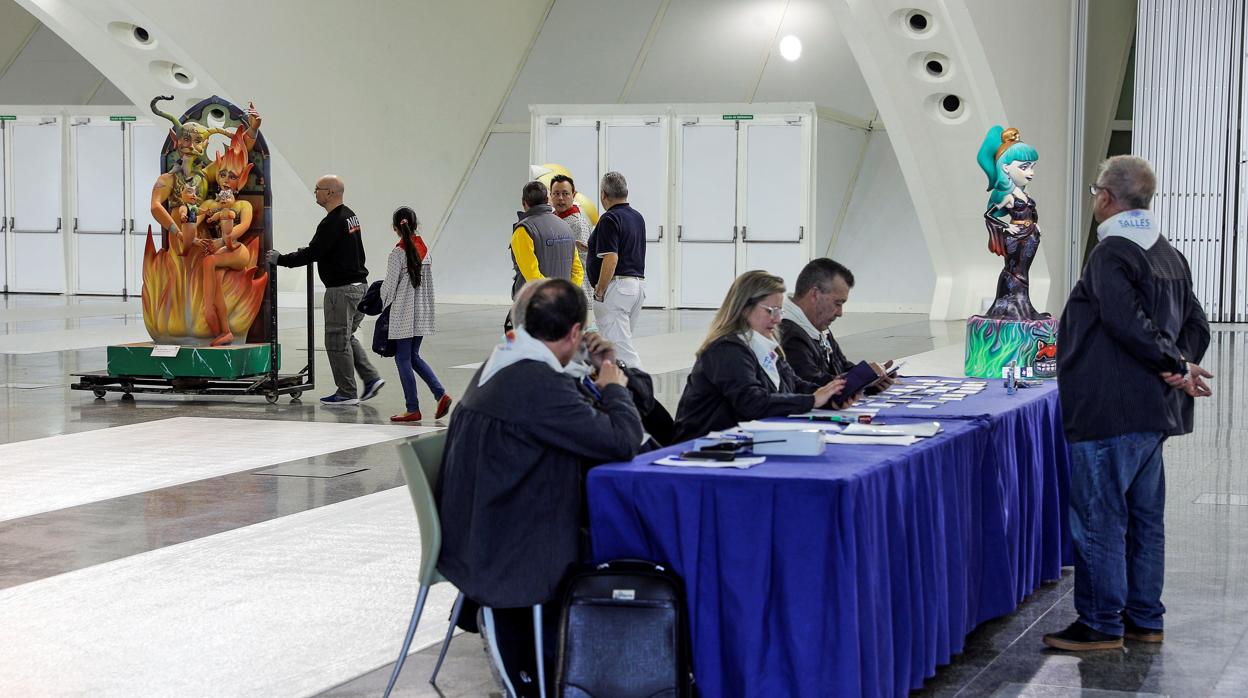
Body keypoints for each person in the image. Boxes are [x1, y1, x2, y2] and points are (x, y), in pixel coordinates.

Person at [436, 278, 644, 696]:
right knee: (633, 546)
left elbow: (579, 413)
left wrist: (597, 367)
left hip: (484, 529)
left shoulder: (508, 359)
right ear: (573, 333)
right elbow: (623, 440)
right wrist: (614, 387)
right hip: (511, 549)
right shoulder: (536, 384)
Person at [1043, 155, 1212, 652]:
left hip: (1108, 413)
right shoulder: (1168, 254)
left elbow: (1124, 321)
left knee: (1099, 520)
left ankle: (1099, 623)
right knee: (1143, 521)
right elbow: (1197, 326)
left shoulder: (1111, 253)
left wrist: (1174, 364)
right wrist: (1179, 364)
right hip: (1152, 413)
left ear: (1104, 197)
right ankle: (1144, 618)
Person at [672, 270, 848, 443]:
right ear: (743, 308)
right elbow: (752, 403)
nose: (777, 319)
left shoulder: (764, 344)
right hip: (702, 448)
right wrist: (812, 401)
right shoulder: (726, 350)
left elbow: (794, 385)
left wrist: (832, 396)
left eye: (780, 311)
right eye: (771, 311)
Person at [266, 175, 383, 405]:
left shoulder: (333, 222)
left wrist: (280, 260)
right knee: (346, 337)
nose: (315, 192)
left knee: (336, 341)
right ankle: (371, 379)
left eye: (318, 189)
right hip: (360, 287)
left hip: (342, 290)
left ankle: (346, 393)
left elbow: (313, 252)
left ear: (330, 193)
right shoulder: (350, 216)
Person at [380, 206, 452, 423]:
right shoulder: (425, 251)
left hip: (403, 313)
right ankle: (440, 393)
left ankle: (412, 408)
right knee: (413, 356)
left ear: (395, 228)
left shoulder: (397, 253)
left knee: (402, 358)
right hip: (421, 313)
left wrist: (378, 303)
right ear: (415, 224)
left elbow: (389, 288)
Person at [780, 258, 894, 390]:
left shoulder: (817, 327)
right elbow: (810, 385)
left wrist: (872, 377)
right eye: (837, 303)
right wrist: (861, 377)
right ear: (815, 294)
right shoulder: (789, 335)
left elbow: (841, 367)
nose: (840, 313)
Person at [587, 171, 647, 368]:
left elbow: (611, 258)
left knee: (621, 350)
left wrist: (600, 290)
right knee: (616, 343)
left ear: (603, 194)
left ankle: (639, 388)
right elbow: (624, 248)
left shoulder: (609, 218)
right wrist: (591, 248)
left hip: (617, 288)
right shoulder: (637, 217)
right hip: (636, 287)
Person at [506, 180, 583, 331]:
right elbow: (577, 270)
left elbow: (532, 275)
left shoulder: (523, 230)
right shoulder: (565, 226)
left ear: (524, 203)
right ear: (547, 199)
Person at [550, 174, 597, 324]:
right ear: (550, 195)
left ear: (574, 195)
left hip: (577, 291)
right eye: (556, 194)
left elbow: (584, 262)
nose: (561, 199)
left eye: (565, 193)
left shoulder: (578, 223)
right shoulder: (553, 219)